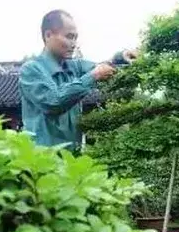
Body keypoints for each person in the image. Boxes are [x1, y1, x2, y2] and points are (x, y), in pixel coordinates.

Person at [19, 9, 138, 151]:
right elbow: (53, 102)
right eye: (69, 37)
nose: (73, 43)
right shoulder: (32, 70)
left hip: (72, 159)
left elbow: (101, 67)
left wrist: (121, 58)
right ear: (48, 35)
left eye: (75, 37)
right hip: (42, 160)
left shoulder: (74, 66)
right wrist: (93, 76)